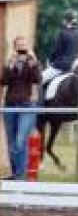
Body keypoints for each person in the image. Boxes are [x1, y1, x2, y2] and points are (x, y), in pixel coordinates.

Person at [0, 35, 42, 179]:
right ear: (14, 48)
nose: (21, 50)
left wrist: (34, 62)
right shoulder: (10, 63)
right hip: (10, 104)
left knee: (20, 141)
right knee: (12, 143)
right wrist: (8, 65)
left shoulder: (32, 63)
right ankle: (16, 174)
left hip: (26, 104)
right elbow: (3, 81)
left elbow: (37, 80)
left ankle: (19, 176)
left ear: (28, 48)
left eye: (24, 47)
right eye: (19, 47)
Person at [42, 9, 78, 85]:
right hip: (76, 66)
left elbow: (57, 51)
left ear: (65, 21)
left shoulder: (63, 33)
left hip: (62, 65)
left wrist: (50, 61)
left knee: (39, 80)